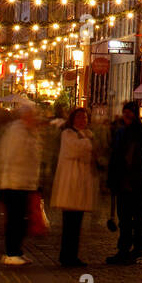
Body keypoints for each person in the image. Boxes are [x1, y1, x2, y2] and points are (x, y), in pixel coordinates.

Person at [0, 104, 41, 266]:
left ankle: (17, 250)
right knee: (15, 219)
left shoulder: (29, 131)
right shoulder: (17, 131)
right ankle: (11, 252)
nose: (34, 118)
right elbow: (14, 157)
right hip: (14, 183)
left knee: (22, 219)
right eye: (31, 115)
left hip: (24, 182)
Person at [106, 103, 142, 265]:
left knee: (135, 217)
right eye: (125, 112)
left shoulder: (139, 132)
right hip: (124, 181)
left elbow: (132, 159)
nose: (127, 115)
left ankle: (136, 250)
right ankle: (124, 249)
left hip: (135, 182)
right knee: (124, 218)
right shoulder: (122, 131)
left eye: (130, 112)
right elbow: (116, 156)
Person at [51, 107, 96, 268]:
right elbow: (75, 151)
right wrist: (88, 145)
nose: (82, 121)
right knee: (70, 223)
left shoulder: (86, 135)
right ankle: (67, 255)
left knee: (76, 223)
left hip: (81, 181)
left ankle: (72, 254)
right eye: (79, 118)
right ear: (73, 119)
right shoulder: (68, 134)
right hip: (71, 181)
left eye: (84, 118)